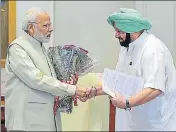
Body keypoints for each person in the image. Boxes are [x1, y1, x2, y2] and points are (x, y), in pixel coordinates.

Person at [85, 8, 176, 131]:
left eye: (119, 31)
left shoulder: (153, 49)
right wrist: (95, 91)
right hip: (132, 122)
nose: (116, 35)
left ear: (132, 29)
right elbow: (119, 82)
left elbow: (155, 89)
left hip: (154, 124)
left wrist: (127, 103)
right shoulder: (126, 48)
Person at [5, 7, 86, 131]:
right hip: (26, 123)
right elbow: (36, 79)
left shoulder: (41, 47)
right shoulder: (17, 48)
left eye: (50, 24)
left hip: (43, 119)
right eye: (46, 25)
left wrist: (67, 82)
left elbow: (48, 80)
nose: (51, 29)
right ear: (31, 28)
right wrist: (72, 89)